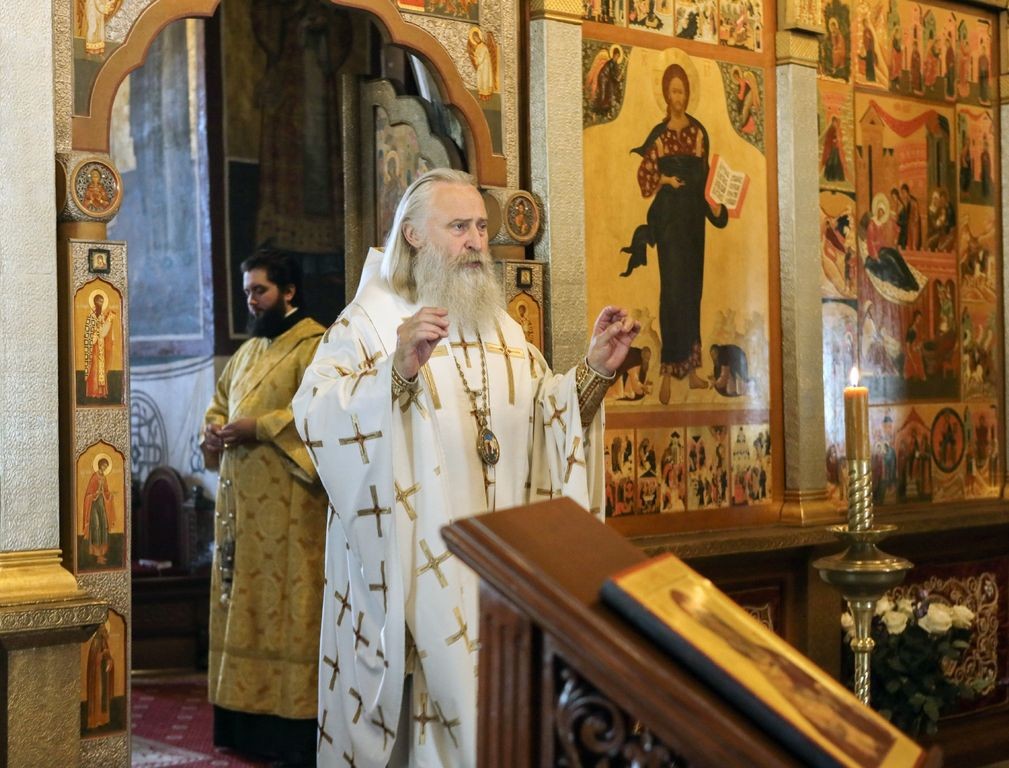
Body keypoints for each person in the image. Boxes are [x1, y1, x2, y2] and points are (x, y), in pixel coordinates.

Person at [293, 168, 639, 767]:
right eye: (459, 227)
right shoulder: (370, 322)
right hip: (419, 572)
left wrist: (594, 372)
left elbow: (544, 420)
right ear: (413, 236)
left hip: (500, 575)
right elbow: (317, 413)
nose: (478, 241)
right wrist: (396, 371)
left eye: (481, 226)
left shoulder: (500, 326)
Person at [201, 249, 328, 766]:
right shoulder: (248, 351)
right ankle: (242, 725)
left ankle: (288, 730)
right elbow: (219, 403)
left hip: (292, 512)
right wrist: (213, 432)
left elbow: (321, 415)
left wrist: (260, 426)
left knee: (287, 612)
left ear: (288, 292)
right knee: (242, 607)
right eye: (247, 292)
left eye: (260, 290)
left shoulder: (317, 345)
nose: (251, 301)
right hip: (240, 511)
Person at [623, 63, 728, 402]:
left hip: (694, 223)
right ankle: (667, 373)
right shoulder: (660, 135)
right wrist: (665, 180)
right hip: (669, 222)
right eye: (673, 91)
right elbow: (644, 176)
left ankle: (693, 371)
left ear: (688, 94)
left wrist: (716, 209)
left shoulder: (698, 133)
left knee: (692, 293)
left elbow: (706, 179)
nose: (678, 97)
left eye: (682, 91)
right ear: (666, 95)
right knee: (671, 293)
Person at [84, 290, 116, 400]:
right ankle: (93, 392)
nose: (101, 304)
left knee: (101, 368)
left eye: (102, 302)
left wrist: (109, 320)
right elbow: (88, 334)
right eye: (99, 301)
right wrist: (95, 336)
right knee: (94, 368)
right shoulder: (91, 317)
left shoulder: (102, 316)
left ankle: (101, 392)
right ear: (95, 302)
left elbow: (104, 332)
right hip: (94, 347)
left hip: (101, 347)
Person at [82, 455, 113, 565]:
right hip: (94, 505)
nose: (105, 468)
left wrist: (109, 495)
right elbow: (89, 493)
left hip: (101, 503)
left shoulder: (104, 477)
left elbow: (106, 491)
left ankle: (102, 554)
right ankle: (97, 555)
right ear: (100, 465)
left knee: (104, 525)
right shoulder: (94, 477)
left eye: (106, 466)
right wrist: (95, 493)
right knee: (96, 526)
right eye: (104, 465)